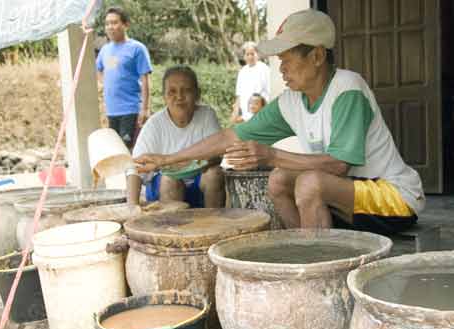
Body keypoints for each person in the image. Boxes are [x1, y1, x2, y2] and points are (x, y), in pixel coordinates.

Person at [134, 9, 425, 234]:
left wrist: (271, 154)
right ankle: (308, 247)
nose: (282, 68)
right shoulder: (291, 100)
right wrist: (165, 160)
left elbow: (338, 165)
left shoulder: (347, 88)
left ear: (317, 56)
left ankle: (319, 266)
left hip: (394, 199)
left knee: (310, 183)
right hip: (350, 200)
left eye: (286, 59)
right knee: (278, 180)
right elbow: (229, 137)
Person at [126, 65, 225, 208]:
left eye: (187, 90)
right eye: (172, 92)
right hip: (162, 190)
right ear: (164, 96)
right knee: (170, 179)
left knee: (214, 174)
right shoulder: (154, 124)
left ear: (197, 94)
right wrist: (132, 206)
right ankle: (172, 228)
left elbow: (217, 154)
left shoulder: (206, 116)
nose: (179, 97)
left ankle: (214, 226)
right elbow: (135, 167)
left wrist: (185, 164)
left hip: (198, 186)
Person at [96, 7, 152, 149]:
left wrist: (144, 109)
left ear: (126, 25)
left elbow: (145, 79)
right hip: (112, 111)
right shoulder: (105, 50)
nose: (110, 27)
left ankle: (135, 171)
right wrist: (105, 87)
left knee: (127, 149)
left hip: (131, 109)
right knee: (116, 150)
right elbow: (100, 70)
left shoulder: (137, 49)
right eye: (107, 23)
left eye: (114, 23)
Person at [231, 41, 270, 124]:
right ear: (244, 56)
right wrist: (235, 114)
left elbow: (268, 92)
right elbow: (239, 95)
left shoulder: (264, 69)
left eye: (252, 54)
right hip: (245, 116)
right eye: (247, 54)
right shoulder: (242, 71)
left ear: (257, 54)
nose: (250, 57)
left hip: (260, 115)